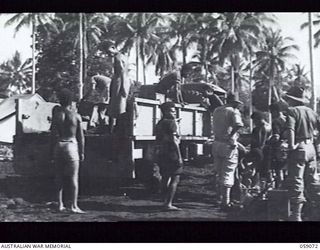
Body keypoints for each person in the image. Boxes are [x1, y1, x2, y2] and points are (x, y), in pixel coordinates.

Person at [284, 86, 320, 221]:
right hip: (311, 147)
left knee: (296, 180)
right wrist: (316, 143)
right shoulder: (311, 111)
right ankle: (316, 211)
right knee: (312, 180)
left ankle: (296, 215)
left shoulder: (292, 111)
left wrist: (291, 145)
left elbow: (290, 129)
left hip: (299, 147)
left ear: (292, 100)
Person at [50, 88, 85, 214]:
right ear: (71, 101)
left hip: (59, 145)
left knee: (58, 177)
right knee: (73, 178)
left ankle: (60, 205)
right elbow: (81, 137)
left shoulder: (57, 115)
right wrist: (81, 152)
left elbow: (53, 134)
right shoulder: (76, 116)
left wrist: (51, 150)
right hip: (71, 145)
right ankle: (73, 206)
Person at [211, 92, 244, 210]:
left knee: (218, 171)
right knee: (228, 172)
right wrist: (231, 135)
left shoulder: (217, 110)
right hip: (227, 143)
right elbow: (238, 125)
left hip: (216, 143)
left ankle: (218, 198)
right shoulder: (233, 111)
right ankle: (226, 201)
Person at [155, 102, 183, 211]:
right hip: (172, 153)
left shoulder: (160, 123)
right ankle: (169, 203)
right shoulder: (172, 123)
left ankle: (164, 201)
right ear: (166, 111)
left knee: (165, 178)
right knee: (175, 179)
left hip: (162, 153)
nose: (175, 112)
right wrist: (179, 156)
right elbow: (174, 141)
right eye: (172, 110)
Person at [98, 40, 130, 134]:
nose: (108, 54)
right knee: (116, 106)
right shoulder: (123, 56)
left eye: (108, 52)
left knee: (117, 107)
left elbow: (122, 72)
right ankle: (115, 130)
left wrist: (123, 86)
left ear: (113, 48)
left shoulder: (118, 57)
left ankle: (114, 131)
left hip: (120, 81)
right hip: (122, 81)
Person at [250, 111, 272, 186]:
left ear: (258, 119)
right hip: (266, 151)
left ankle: (259, 187)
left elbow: (261, 142)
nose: (254, 123)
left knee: (261, 171)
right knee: (266, 171)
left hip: (261, 152)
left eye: (254, 121)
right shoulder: (268, 126)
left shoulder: (261, 128)